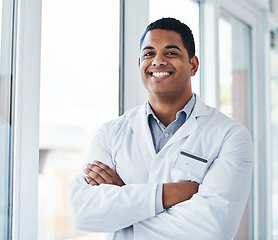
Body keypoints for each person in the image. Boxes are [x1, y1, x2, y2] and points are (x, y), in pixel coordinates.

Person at [69, 17, 253, 240]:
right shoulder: (111, 133)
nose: (158, 61)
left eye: (171, 53)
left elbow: (212, 230)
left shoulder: (230, 136)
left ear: (193, 65)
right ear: (140, 64)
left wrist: (124, 200)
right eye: (149, 54)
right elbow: (84, 213)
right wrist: (167, 194)